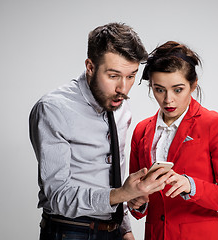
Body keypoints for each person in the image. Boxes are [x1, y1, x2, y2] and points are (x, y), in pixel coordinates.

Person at [29, 23, 171, 240]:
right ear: (90, 67)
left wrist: (125, 228)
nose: (123, 88)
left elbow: (114, 174)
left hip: (113, 230)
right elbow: (57, 196)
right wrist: (123, 194)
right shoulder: (53, 109)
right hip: (70, 231)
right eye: (113, 75)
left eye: (131, 76)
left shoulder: (121, 108)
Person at [128, 41, 218, 239]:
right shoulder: (141, 130)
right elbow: (137, 197)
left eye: (178, 89)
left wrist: (192, 186)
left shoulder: (214, 124)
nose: (168, 99)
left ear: (193, 85)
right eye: (159, 89)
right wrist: (137, 201)